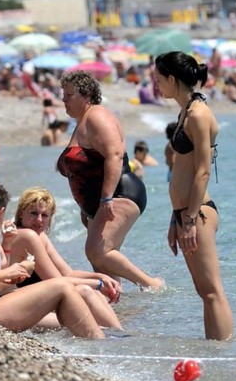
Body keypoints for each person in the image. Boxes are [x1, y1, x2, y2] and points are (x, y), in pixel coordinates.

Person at [0, 170, 105, 339]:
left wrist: (9, 253)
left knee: (64, 290)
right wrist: (11, 271)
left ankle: (94, 339)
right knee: (62, 287)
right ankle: (99, 343)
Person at [57, 71, 162, 290]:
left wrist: (105, 199)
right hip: (98, 203)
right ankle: (117, 311)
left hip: (119, 194)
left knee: (97, 251)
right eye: (63, 95)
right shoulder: (82, 122)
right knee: (102, 268)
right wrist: (86, 207)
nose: (63, 100)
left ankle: (151, 285)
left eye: (69, 95)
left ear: (86, 95)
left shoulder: (97, 116)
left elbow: (114, 155)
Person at [155, 50, 233, 340]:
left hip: (197, 212)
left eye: (159, 79)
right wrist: (174, 217)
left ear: (172, 79)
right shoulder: (186, 109)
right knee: (205, 292)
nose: (156, 85)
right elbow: (182, 172)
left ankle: (224, 356)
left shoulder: (199, 114)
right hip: (186, 212)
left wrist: (187, 219)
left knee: (212, 292)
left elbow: (202, 172)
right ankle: (214, 352)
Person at [1, 187, 122, 328]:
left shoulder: (40, 236)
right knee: (85, 292)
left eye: (45, 215)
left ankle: (118, 335)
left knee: (94, 294)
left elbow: (68, 273)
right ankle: (119, 337)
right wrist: (98, 285)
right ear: (21, 214)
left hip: (33, 303)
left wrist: (100, 278)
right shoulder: (26, 236)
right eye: (33, 213)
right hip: (16, 308)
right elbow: (57, 281)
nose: (39, 220)